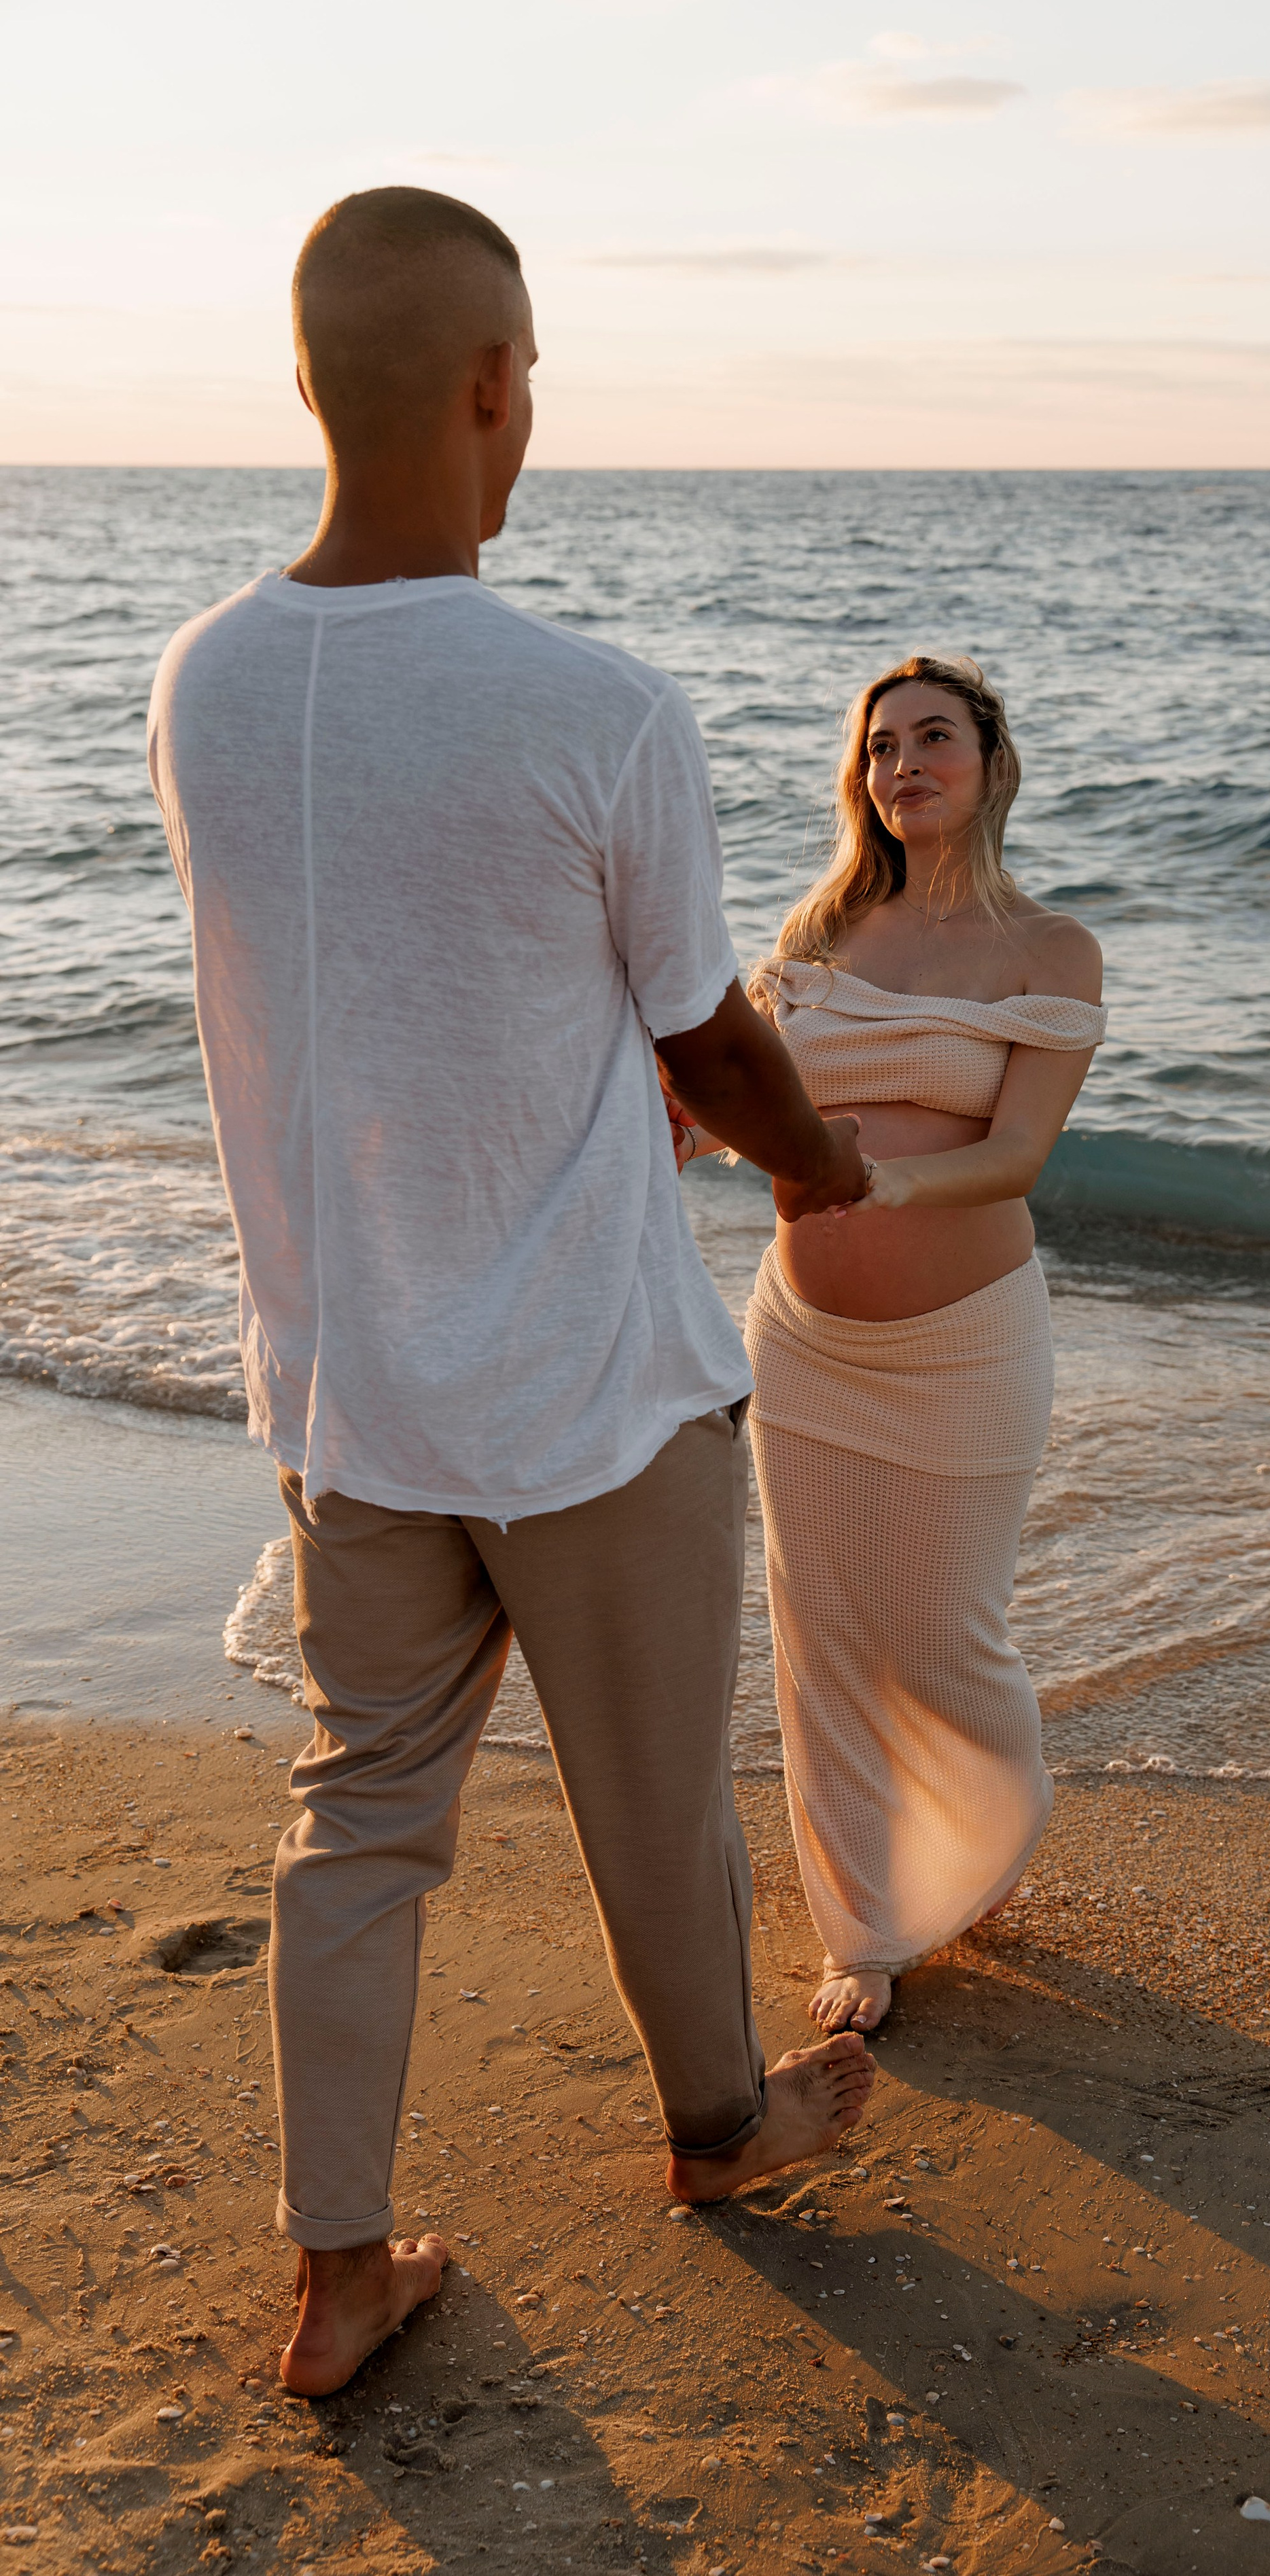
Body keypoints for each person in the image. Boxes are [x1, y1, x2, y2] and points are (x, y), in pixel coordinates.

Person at [146, 186, 874, 2399]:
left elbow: (397, 983)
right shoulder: (600, 706)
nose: (529, 414)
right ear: (491, 385)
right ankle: (726, 2128)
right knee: (656, 1797)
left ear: (301, 385)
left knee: (356, 1818)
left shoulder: (204, 678)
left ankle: (341, 2275)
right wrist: (829, 1176)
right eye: (530, 376)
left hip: (350, 1385)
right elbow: (709, 1043)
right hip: (585, 1382)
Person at [673, 654, 1104, 2037]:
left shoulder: (1049, 952)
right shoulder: (813, 939)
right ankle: (863, 1924)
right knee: (823, 1636)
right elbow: (725, 1115)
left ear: (989, 761)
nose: (900, 764)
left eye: (931, 737)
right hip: (802, 1342)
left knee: (941, 1639)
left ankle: (978, 1838)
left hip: (965, 1346)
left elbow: (1019, 1155)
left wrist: (876, 1182)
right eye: (876, 747)